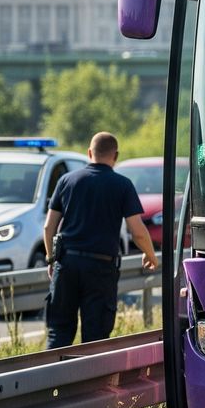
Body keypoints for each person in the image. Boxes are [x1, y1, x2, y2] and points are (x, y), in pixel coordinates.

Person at [43, 132, 158, 350]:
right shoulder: (122, 184)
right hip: (100, 268)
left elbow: (49, 227)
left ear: (89, 153)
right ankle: (89, 374)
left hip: (67, 265)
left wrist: (51, 259)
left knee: (59, 334)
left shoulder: (66, 181)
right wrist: (150, 255)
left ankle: (51, 373)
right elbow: (138, 232)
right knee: (95, 339)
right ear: (116, 156)